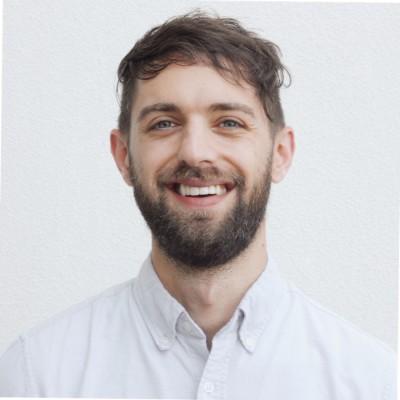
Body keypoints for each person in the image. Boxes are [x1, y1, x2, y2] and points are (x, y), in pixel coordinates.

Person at [0, 11, 396, 399]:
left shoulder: (371, 382)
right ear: (123, 156)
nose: (195, 152)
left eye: (229, 123)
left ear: (280, 153)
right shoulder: (37, 375)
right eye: (164, 123)